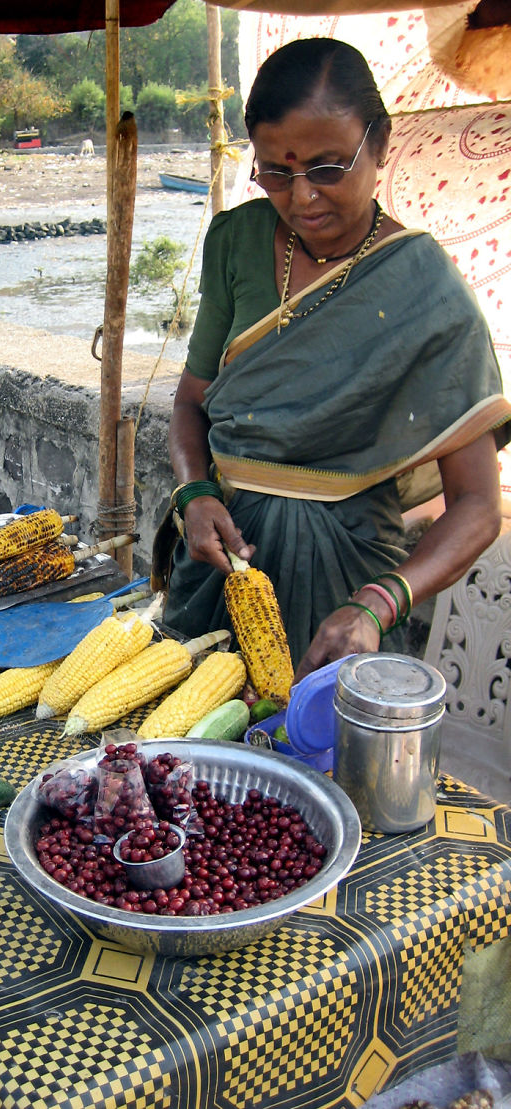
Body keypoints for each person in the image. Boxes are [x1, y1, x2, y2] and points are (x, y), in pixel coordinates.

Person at [161, 37, 510, 681]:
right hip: (217, 567)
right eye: (275, 171)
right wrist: (195, 493)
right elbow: (191, 401)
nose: (301, 199)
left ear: (379, 146)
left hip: (347, 587)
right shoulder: (237, 242)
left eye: (327, 167)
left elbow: (478, 508)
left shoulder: (423, 287)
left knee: (327, 765)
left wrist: (377, 606)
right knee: (186, 767)